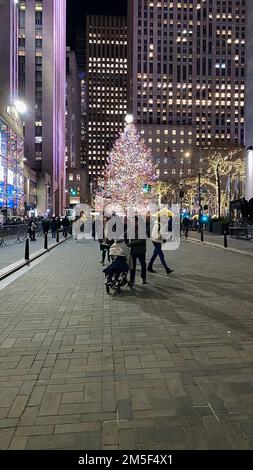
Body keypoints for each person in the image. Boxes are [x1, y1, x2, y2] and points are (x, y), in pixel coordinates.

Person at [128, 217, 147, 286]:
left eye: (133, 222)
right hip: (133, 250)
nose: (132, 223)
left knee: (143, 264)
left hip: (141, 250)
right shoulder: (132, 229)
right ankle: (132, 279)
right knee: (132, 265)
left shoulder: (142, 229)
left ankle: (143, 278)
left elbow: (142, 241)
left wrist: (131, 244)